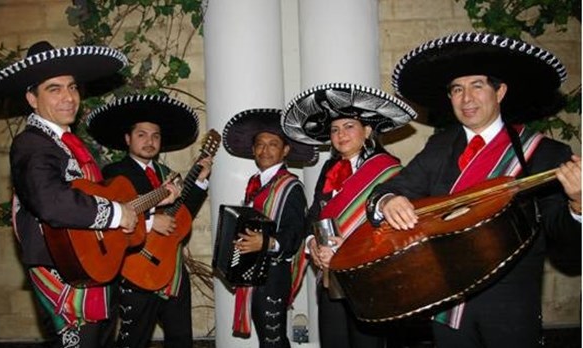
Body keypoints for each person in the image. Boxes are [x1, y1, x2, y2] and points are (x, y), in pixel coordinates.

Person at [366, 32, 581, 348]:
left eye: (477, 86)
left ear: (500, 91)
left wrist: (577, 204)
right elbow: (388, 190)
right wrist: (389, 200)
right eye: (457, 89)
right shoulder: (439, 146)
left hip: (510, 311)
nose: (466, 99)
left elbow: (562, 239)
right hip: (447, 306)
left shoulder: (546, 153)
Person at [0, 41, 181, 346]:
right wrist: (120, 213)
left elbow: (96, 213)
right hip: (63, 273)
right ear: (32, 98)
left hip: (92, 269)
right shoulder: (32, 144)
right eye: (54, 89)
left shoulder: (71, 146)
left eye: (72, 87)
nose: (68, 97)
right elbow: (51, 202)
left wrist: (147, 211)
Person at [281, 82, 417, 348]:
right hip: (331, 278)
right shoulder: (329, 169)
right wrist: (312, 246)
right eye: (334, 129)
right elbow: (314, 215)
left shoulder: (389, 170)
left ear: (367, 131)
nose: (340, 134)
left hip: (370, 279)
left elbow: (395, 232)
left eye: (348, 126)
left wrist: (351, 251)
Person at [86, 94, 213, 348]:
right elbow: (110, 217)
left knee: (181, 340)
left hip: (173, 271)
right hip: (136, 268)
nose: (149, 141)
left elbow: (183, 213)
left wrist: (200, 180)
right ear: (127, 139)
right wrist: (149, 222)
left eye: (155, 136)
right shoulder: (114, 174)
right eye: (141, 135)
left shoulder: (168, 175)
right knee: (134, 340)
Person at [222, 108, 318, 347]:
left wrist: (265, 243)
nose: (265, 150)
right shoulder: (255, 183)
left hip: (274, 274)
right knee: (268, 340)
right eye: (260, 144)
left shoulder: (291, 186)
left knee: (273, 340)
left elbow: (295, 234)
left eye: (273, 144)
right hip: (253, 272)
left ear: (285, 150)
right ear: (254, 150)